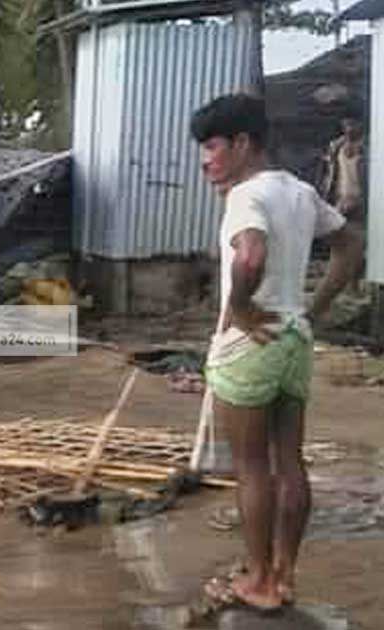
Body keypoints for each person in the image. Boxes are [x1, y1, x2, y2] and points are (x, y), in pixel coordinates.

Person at [190, 94, 363, 612]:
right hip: (293, 340)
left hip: (253, 342)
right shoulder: (300, 191)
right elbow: (352, 244)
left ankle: (260, 582)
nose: (205, 159)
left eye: (212, 146)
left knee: (251, 468)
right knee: (289, 462)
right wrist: (314, 309)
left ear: (243, 144)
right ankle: (284, 572)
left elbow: (250, 256)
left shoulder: (245, 195)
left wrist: (240, 308)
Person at [320, 115, 367, 223]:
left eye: (353, 123)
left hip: (362, 204)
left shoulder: (371, 148)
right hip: (340, 202)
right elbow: (329, 175)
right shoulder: (336, 146)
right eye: (346, 123)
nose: (349, 127)